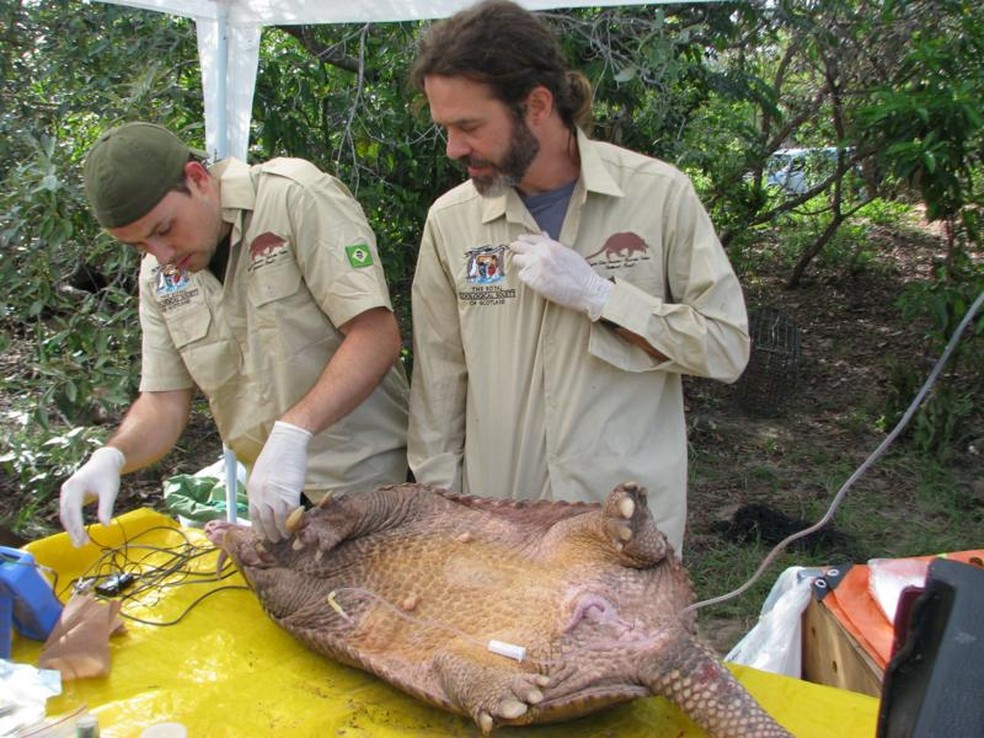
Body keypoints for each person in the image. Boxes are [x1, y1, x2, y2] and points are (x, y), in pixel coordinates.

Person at [406, 0, 750, 554]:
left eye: (469, 126)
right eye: (445, 128)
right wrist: (443, 514)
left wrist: (603, 298)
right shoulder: (452, 222)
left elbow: (726, 347)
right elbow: (438, 390)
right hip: (502, 530)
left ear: (536, 104)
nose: (453, 149)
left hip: (625, 531)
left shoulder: (659, 196)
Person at [59, 122, 409, 546]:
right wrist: (114, 455)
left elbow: (375, 335)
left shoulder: (291, 197)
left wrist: (293, 431)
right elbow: (163, 400)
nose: (162, 256)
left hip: (377, 487)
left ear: (197, 178)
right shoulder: (158, 275)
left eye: (164, 229)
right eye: (139, 247)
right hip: (278, 507)